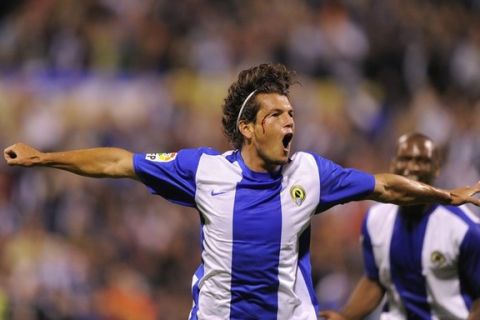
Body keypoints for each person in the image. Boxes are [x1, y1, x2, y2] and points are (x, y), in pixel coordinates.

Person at [3, 64, 480, 320]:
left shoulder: (310, 173)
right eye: (278, 115)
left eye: (292, 113)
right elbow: (117, 162)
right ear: (248, 128)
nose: (291, 121)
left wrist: (443, 195)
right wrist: (46, 158)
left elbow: (383, 185)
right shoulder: (203, 170)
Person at [320, 133, 480, 320]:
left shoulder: (465, 230)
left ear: (437, 168)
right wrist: (345, 316)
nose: (412, 167)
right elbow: (375, 280)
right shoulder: (374, 219)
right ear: (392, 165)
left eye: (422, 160)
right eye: (405, 159)